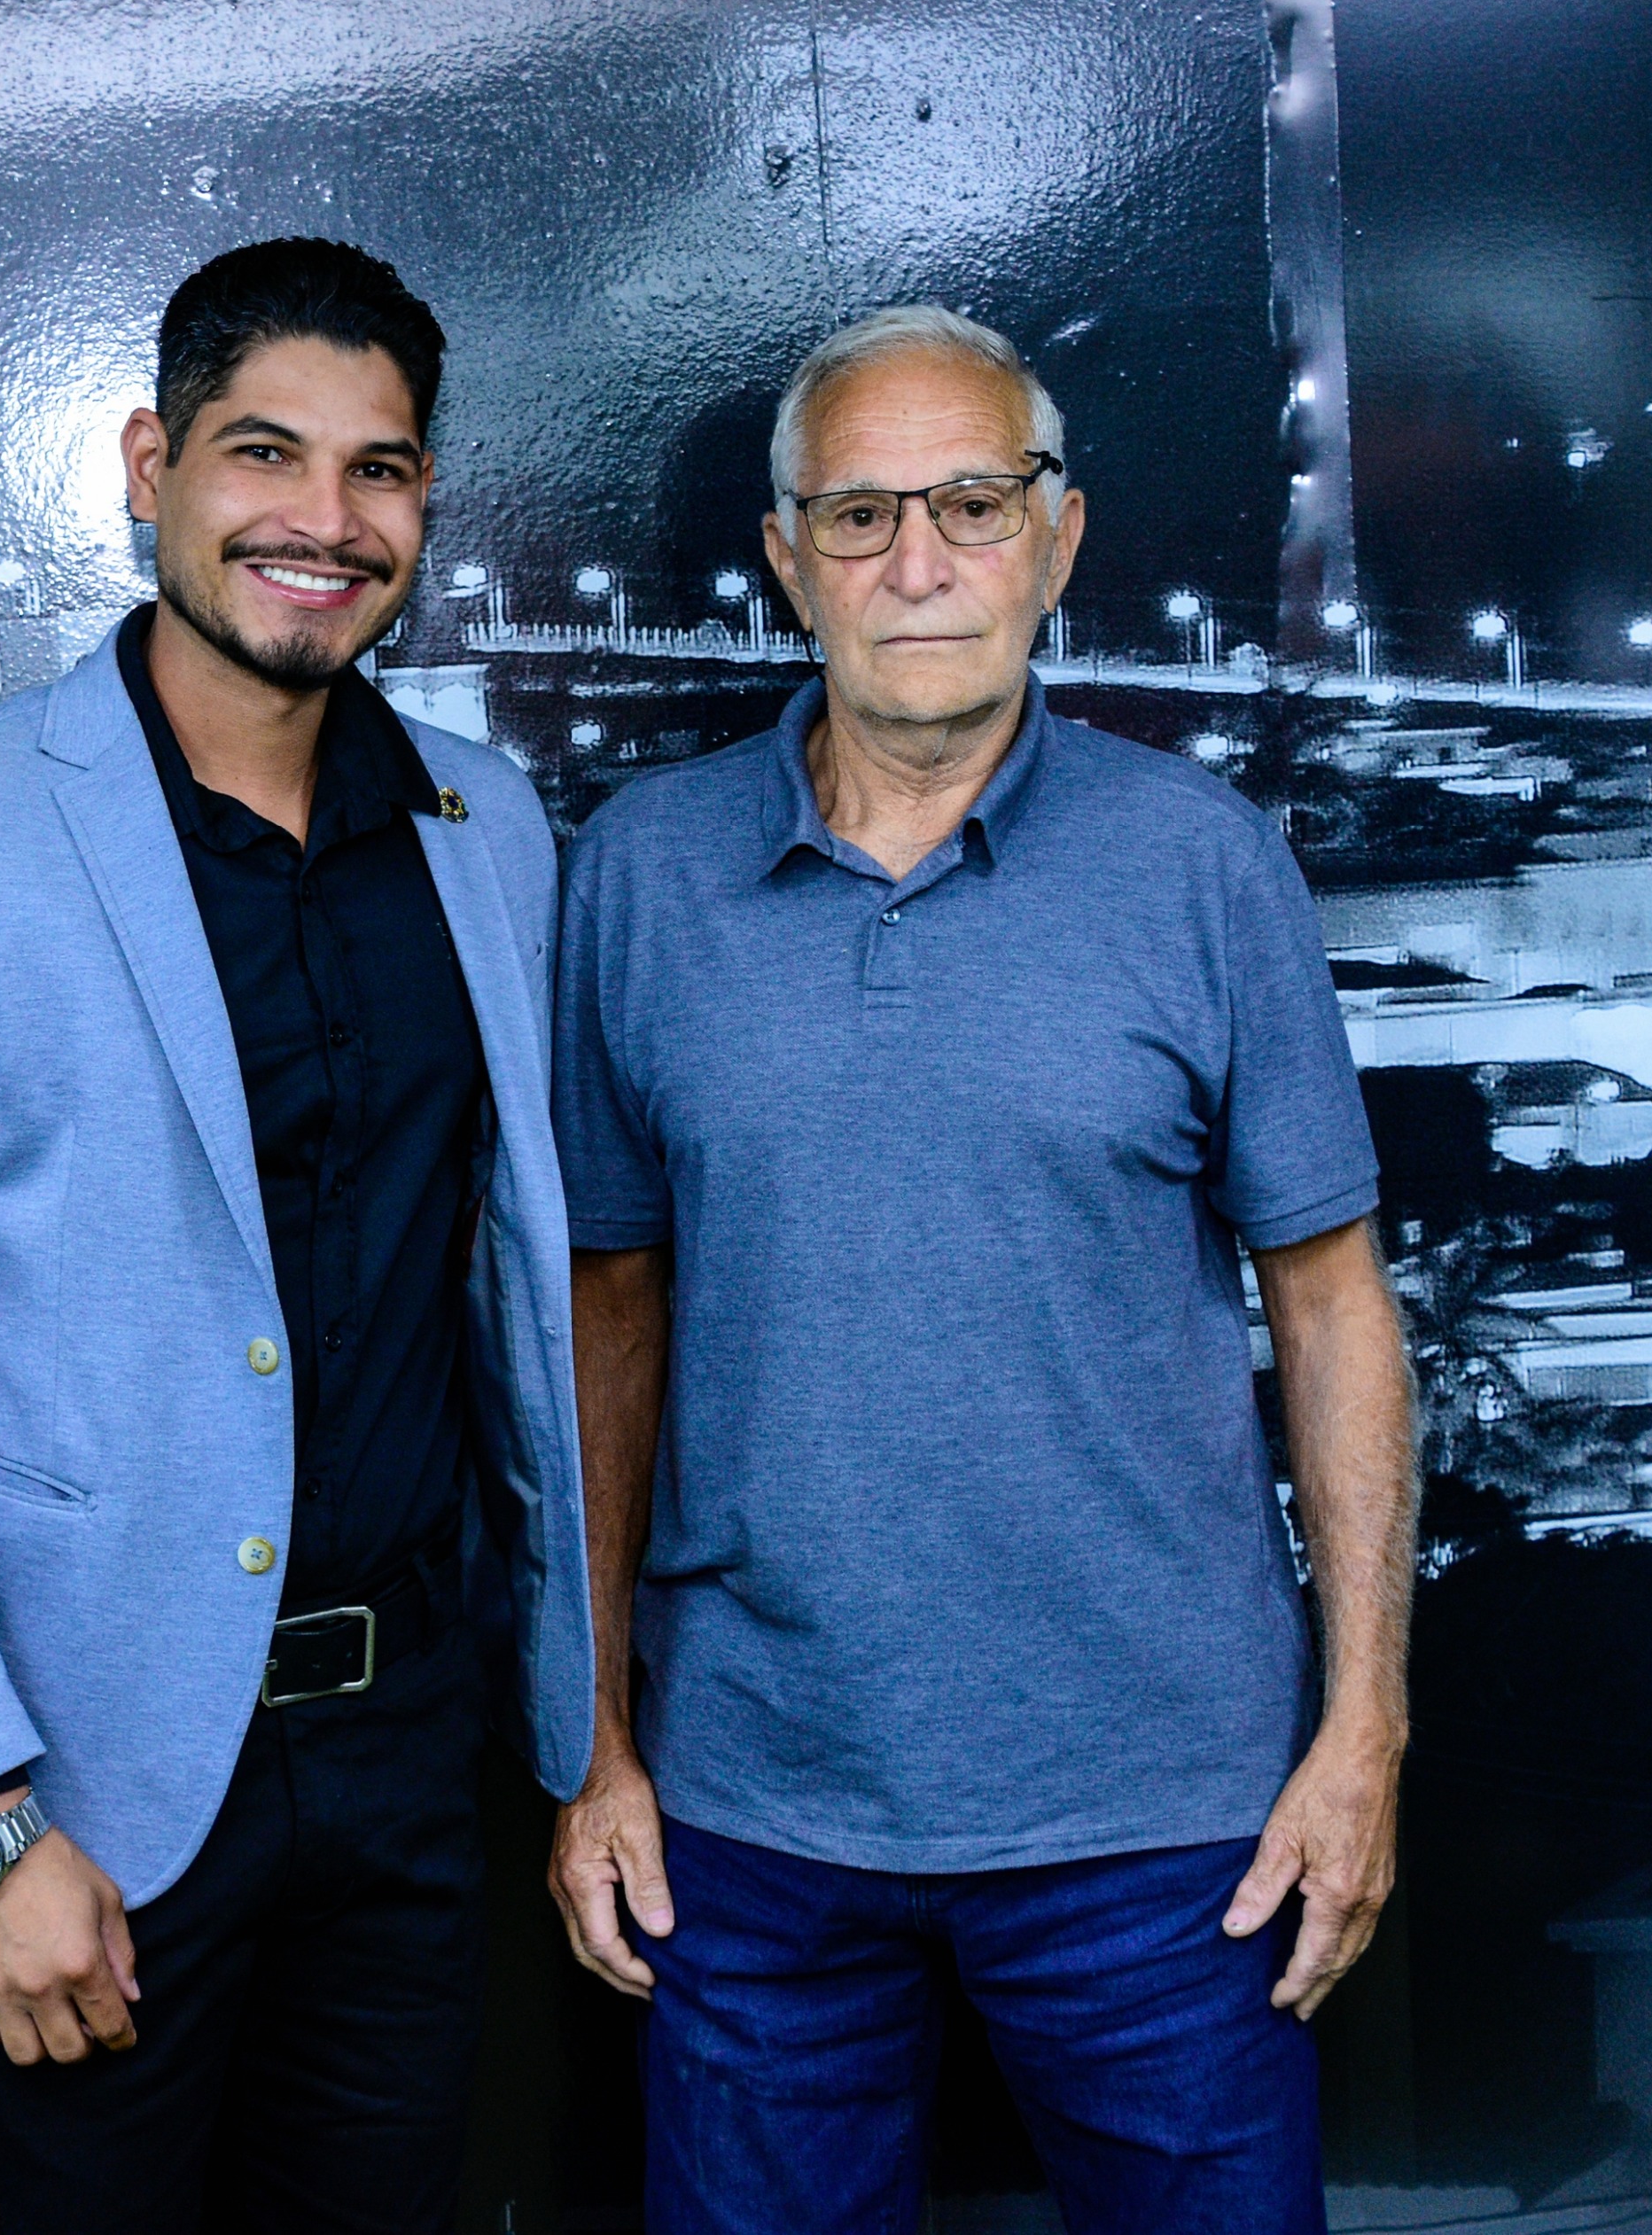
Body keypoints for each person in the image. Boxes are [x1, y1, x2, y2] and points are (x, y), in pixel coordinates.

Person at [0, 237, 593, 2235]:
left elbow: (512, 1310)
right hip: (79, 1791)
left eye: (379, 469)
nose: (323, 519)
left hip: (413, 1769)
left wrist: (570, 1724)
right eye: (263, 454)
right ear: (150, 465)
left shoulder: (488, 830)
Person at [545, 304, 1416, 2233]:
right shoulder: (640, 876)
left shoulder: (1206, 867)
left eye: (973, 502)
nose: (918, 563)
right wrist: (593, 1743)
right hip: (750, 1818)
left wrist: (1363, 1733)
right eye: (858, 515)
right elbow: (608, 1324)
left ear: (1059, 535)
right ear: (785, 559)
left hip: (1169, 1826)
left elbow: (1333, 1307)